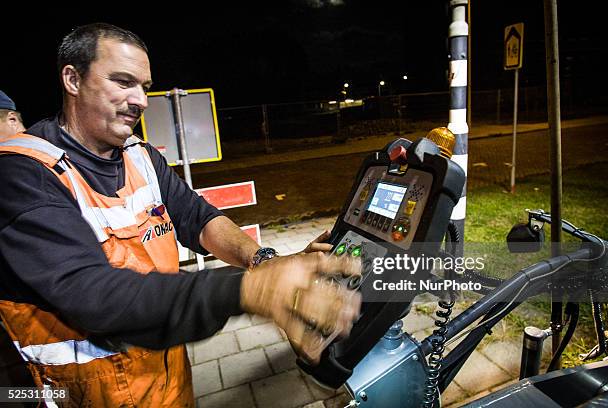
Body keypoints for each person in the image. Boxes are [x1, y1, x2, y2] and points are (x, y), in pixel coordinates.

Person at [0, 23, 361, 407]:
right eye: (123, 82)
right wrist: (252, 290)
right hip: (82, 396)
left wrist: (264, 261)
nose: (140, 100)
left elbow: (198, 218)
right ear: (72, 78)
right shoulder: (24, 173)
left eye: (144, 86)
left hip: (168, 382)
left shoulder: (141, 155)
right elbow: (94, 294)